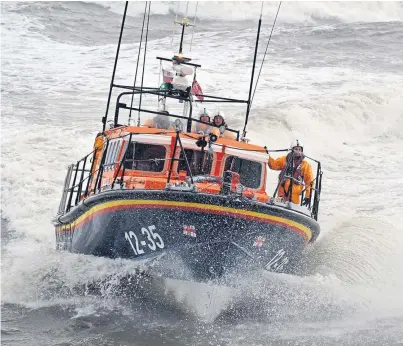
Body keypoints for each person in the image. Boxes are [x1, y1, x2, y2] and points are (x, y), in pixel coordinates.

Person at [268, 139, 313, 206]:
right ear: (292, 150)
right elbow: (273, 165)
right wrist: (267, 155)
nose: (298, 151)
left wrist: (308, 196)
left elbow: (309, 181)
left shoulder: (305, 165)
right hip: (281, 196)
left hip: (294, 199)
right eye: (296, 149)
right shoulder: (284, 160)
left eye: (299, 149)